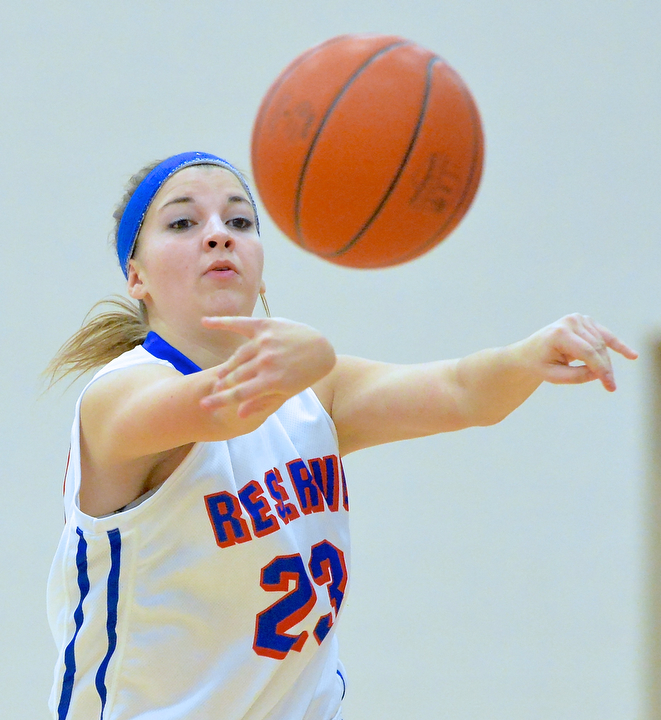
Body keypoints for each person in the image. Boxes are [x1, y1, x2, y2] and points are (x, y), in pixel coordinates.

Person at [46, 151, 637, 720]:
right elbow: (223, 407)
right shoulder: (117, 396)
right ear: (136, 275)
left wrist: (530, 354)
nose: (218, 233)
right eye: (183, 221)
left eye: (240, 220)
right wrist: (308, 354)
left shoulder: (311, 393)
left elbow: (462, 393)